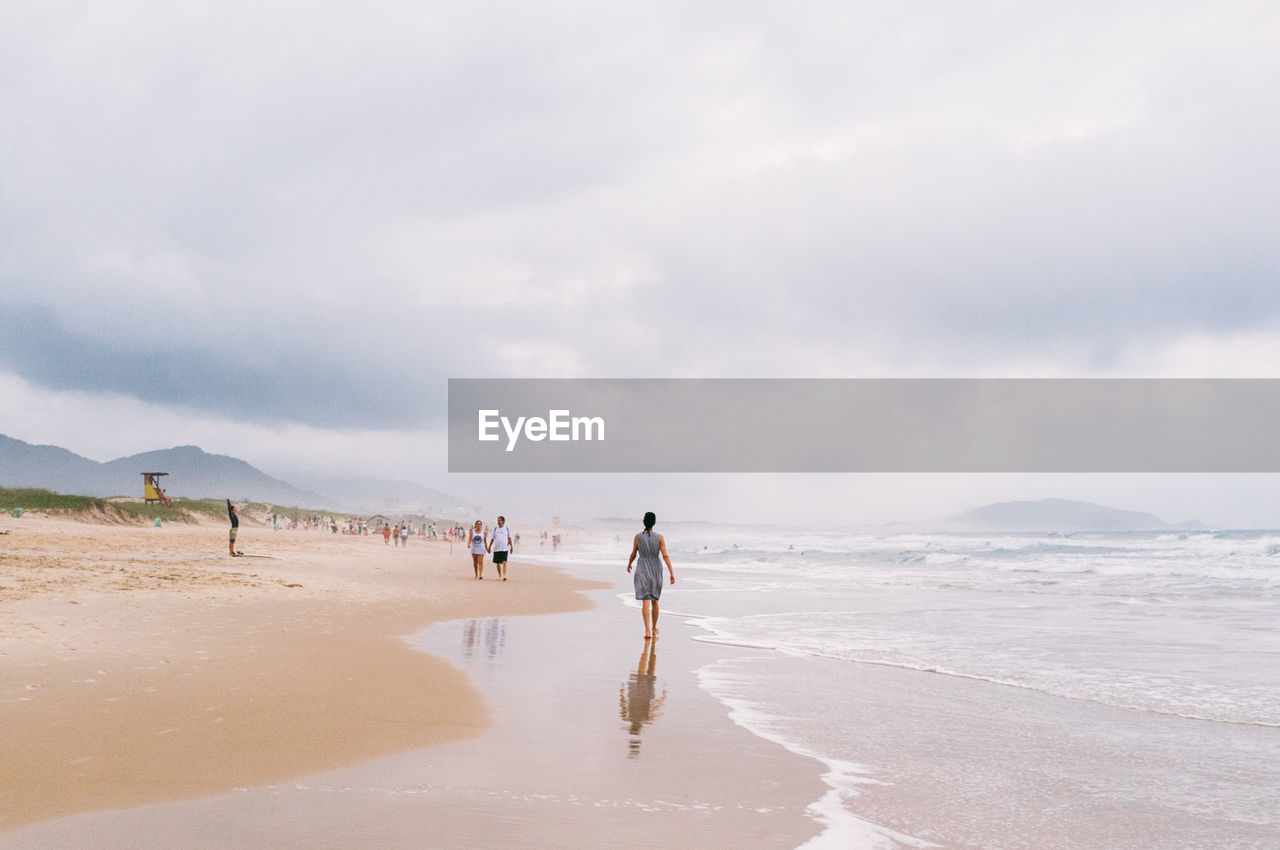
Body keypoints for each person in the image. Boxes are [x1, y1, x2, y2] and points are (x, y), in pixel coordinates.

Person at [626, 511, 675, 640]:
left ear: (644, 522)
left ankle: (647, 630)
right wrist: (671, 572)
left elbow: (633, 554)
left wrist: (629, 564)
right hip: (655, 569)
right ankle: (654, 628)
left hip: (642, 568)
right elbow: (665, 556)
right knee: (655, 601)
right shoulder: (660, 538)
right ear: (654, 523)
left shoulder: (637, 537)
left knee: (645, 602)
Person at [487, 515, 514, 581]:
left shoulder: (507, 528)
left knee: (504, 562)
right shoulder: (495, 528)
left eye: (499, 520)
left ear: (503, 521)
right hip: (496, 548)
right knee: (498, 563)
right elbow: (492, 538)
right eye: (497, 520)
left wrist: (511, 547)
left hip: (504, 548)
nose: (498, 521)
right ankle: (499, 576)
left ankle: (504, 576)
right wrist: (489, 546)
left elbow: (509, 538)